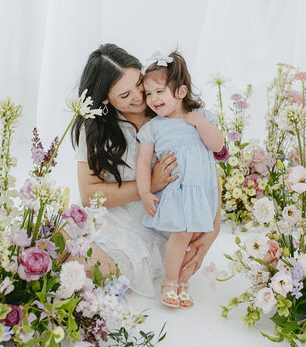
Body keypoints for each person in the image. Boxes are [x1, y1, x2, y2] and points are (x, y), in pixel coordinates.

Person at [72, 44, 221, 299]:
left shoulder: (168, 111)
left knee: (92, 275)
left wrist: (212, 230)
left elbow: (205, 170)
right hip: (115, 220)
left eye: (139, 83)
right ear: (106, 99)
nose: (139, 97)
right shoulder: (96, 130)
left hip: (160, 228)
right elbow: (89, 195)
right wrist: (151, 183)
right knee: (62, 259)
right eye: (124, 94)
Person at [136, 51, 224, 308]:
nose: (152, 99)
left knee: (194, 236)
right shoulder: (154, 127)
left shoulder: (202, 117)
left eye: (159, 92)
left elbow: (217, 145)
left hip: (202, 191)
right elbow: (143, 164)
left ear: (181, 92)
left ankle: (184, 281)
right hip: (178, 192)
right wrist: (144, 192)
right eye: (148, 94)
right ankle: (170, 282)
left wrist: (200, 124)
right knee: (181, 234)